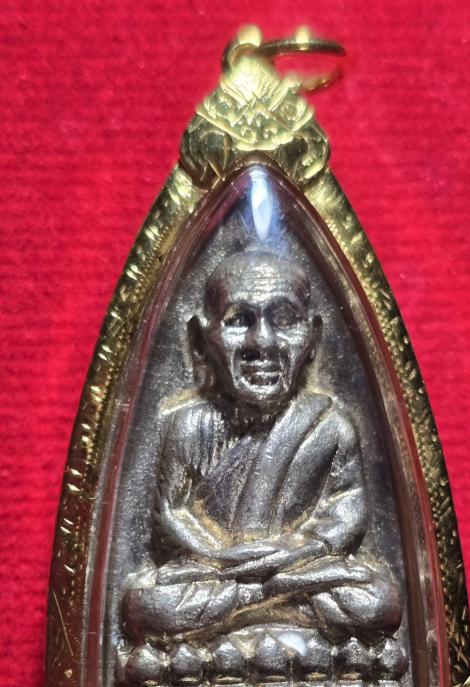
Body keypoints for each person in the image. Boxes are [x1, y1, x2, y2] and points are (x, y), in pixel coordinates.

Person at [122, 250, 402, 652]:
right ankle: (268, 609)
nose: (262, 343)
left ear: (313, 336)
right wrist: (227, 558)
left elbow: (345, 514)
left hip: (296, 572)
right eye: (239, 320)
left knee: (378, 600)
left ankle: (245, 613)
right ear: (200, 339)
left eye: (284, 320)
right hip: (218, 574)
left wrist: (286, 555)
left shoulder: (331, 426)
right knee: (146, 604)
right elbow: (171, 514)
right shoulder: (187, 425)